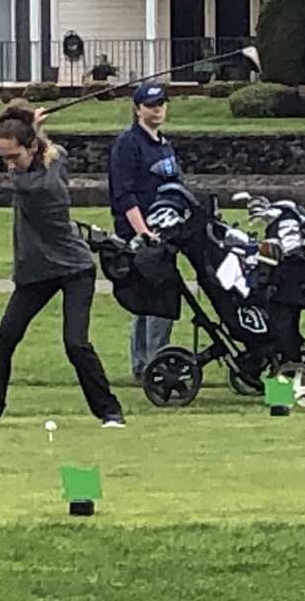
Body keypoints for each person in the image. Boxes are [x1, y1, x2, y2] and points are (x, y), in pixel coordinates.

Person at [0, 100, 125, 430]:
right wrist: (30, 125)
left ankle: (110, 412)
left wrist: (33, 126)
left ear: (32, 147)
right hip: (35, 273)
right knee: (4, 338)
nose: (9, 166)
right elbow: (55, 150)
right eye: (3, 158)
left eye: (14, 157)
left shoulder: (37, 186)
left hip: (74, 268)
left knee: (75, 343)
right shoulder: (56, 159)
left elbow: (39, 172)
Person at [108, 83, 182, 384]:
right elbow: (124, 195)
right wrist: (144, 233)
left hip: (167, 231)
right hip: (142, 236)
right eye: (151, 105)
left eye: (161, 103)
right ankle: (154, 363)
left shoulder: (162, 144)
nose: (157, 109)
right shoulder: (129, 144)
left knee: (147, 302)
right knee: (157, 300)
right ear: (138, 109)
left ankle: (144, 366)